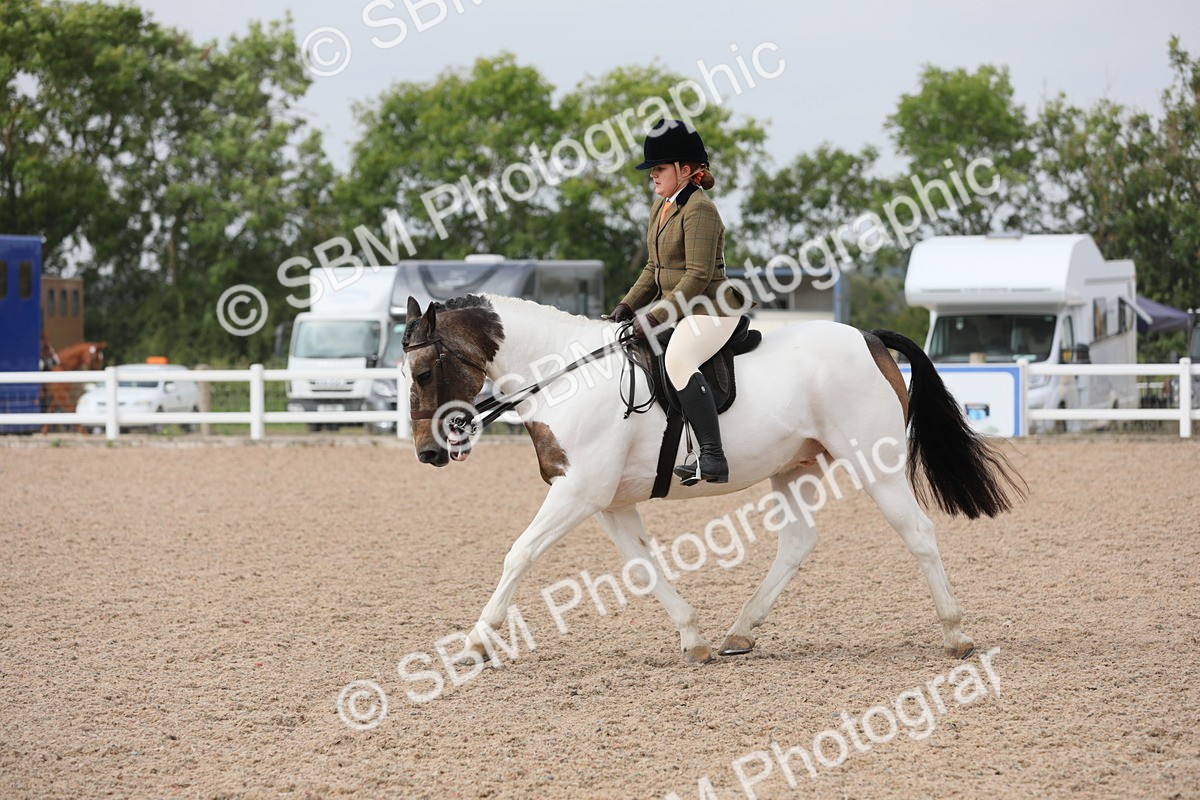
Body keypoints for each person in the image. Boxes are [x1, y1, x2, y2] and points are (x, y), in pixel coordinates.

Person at [609, 119, 750, 485]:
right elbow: (654, 268)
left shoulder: (700, 209)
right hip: (685, 309)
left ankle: (713, 457)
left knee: (678, 358)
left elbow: (697, 276)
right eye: (652, 170)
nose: (652, 176)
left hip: (713, 307)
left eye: (658, 169)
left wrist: (654, 316)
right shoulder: (662, 208)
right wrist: (625, 307)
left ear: (685, 171)